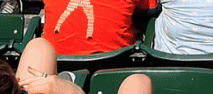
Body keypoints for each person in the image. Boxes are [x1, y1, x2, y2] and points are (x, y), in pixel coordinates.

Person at [2, 39, 150, 94]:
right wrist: (73, 91)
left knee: (39, 46)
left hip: (67, 55)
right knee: (138, 82)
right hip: (114, 56)